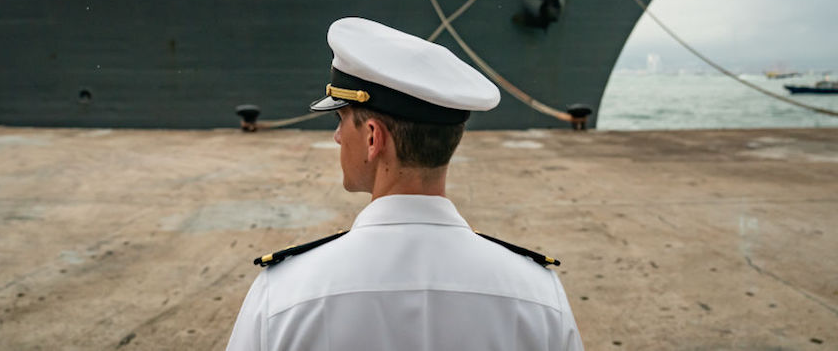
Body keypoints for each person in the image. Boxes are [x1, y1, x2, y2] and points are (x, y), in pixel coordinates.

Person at [226, 17, 584, 351]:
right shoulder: (538, 294)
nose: (337, 137)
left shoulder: (284, 295)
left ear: (372, 138)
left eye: (340, 120)